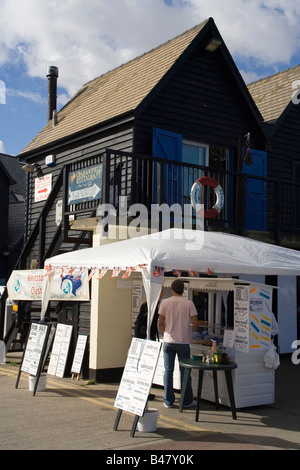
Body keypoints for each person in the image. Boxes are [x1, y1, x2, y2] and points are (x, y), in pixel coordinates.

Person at [158, 279, 199, 408]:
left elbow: (160, 323)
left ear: (172, 289)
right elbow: (196, 324)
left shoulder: (164, 303)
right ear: (183, 290)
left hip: (168, 341)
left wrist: (166, 333)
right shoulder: (189, 303)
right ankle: (187, 400)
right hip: (183, 342)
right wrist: (191, 327)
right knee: (185, 371)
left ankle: (168, 401)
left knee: (168, 371)